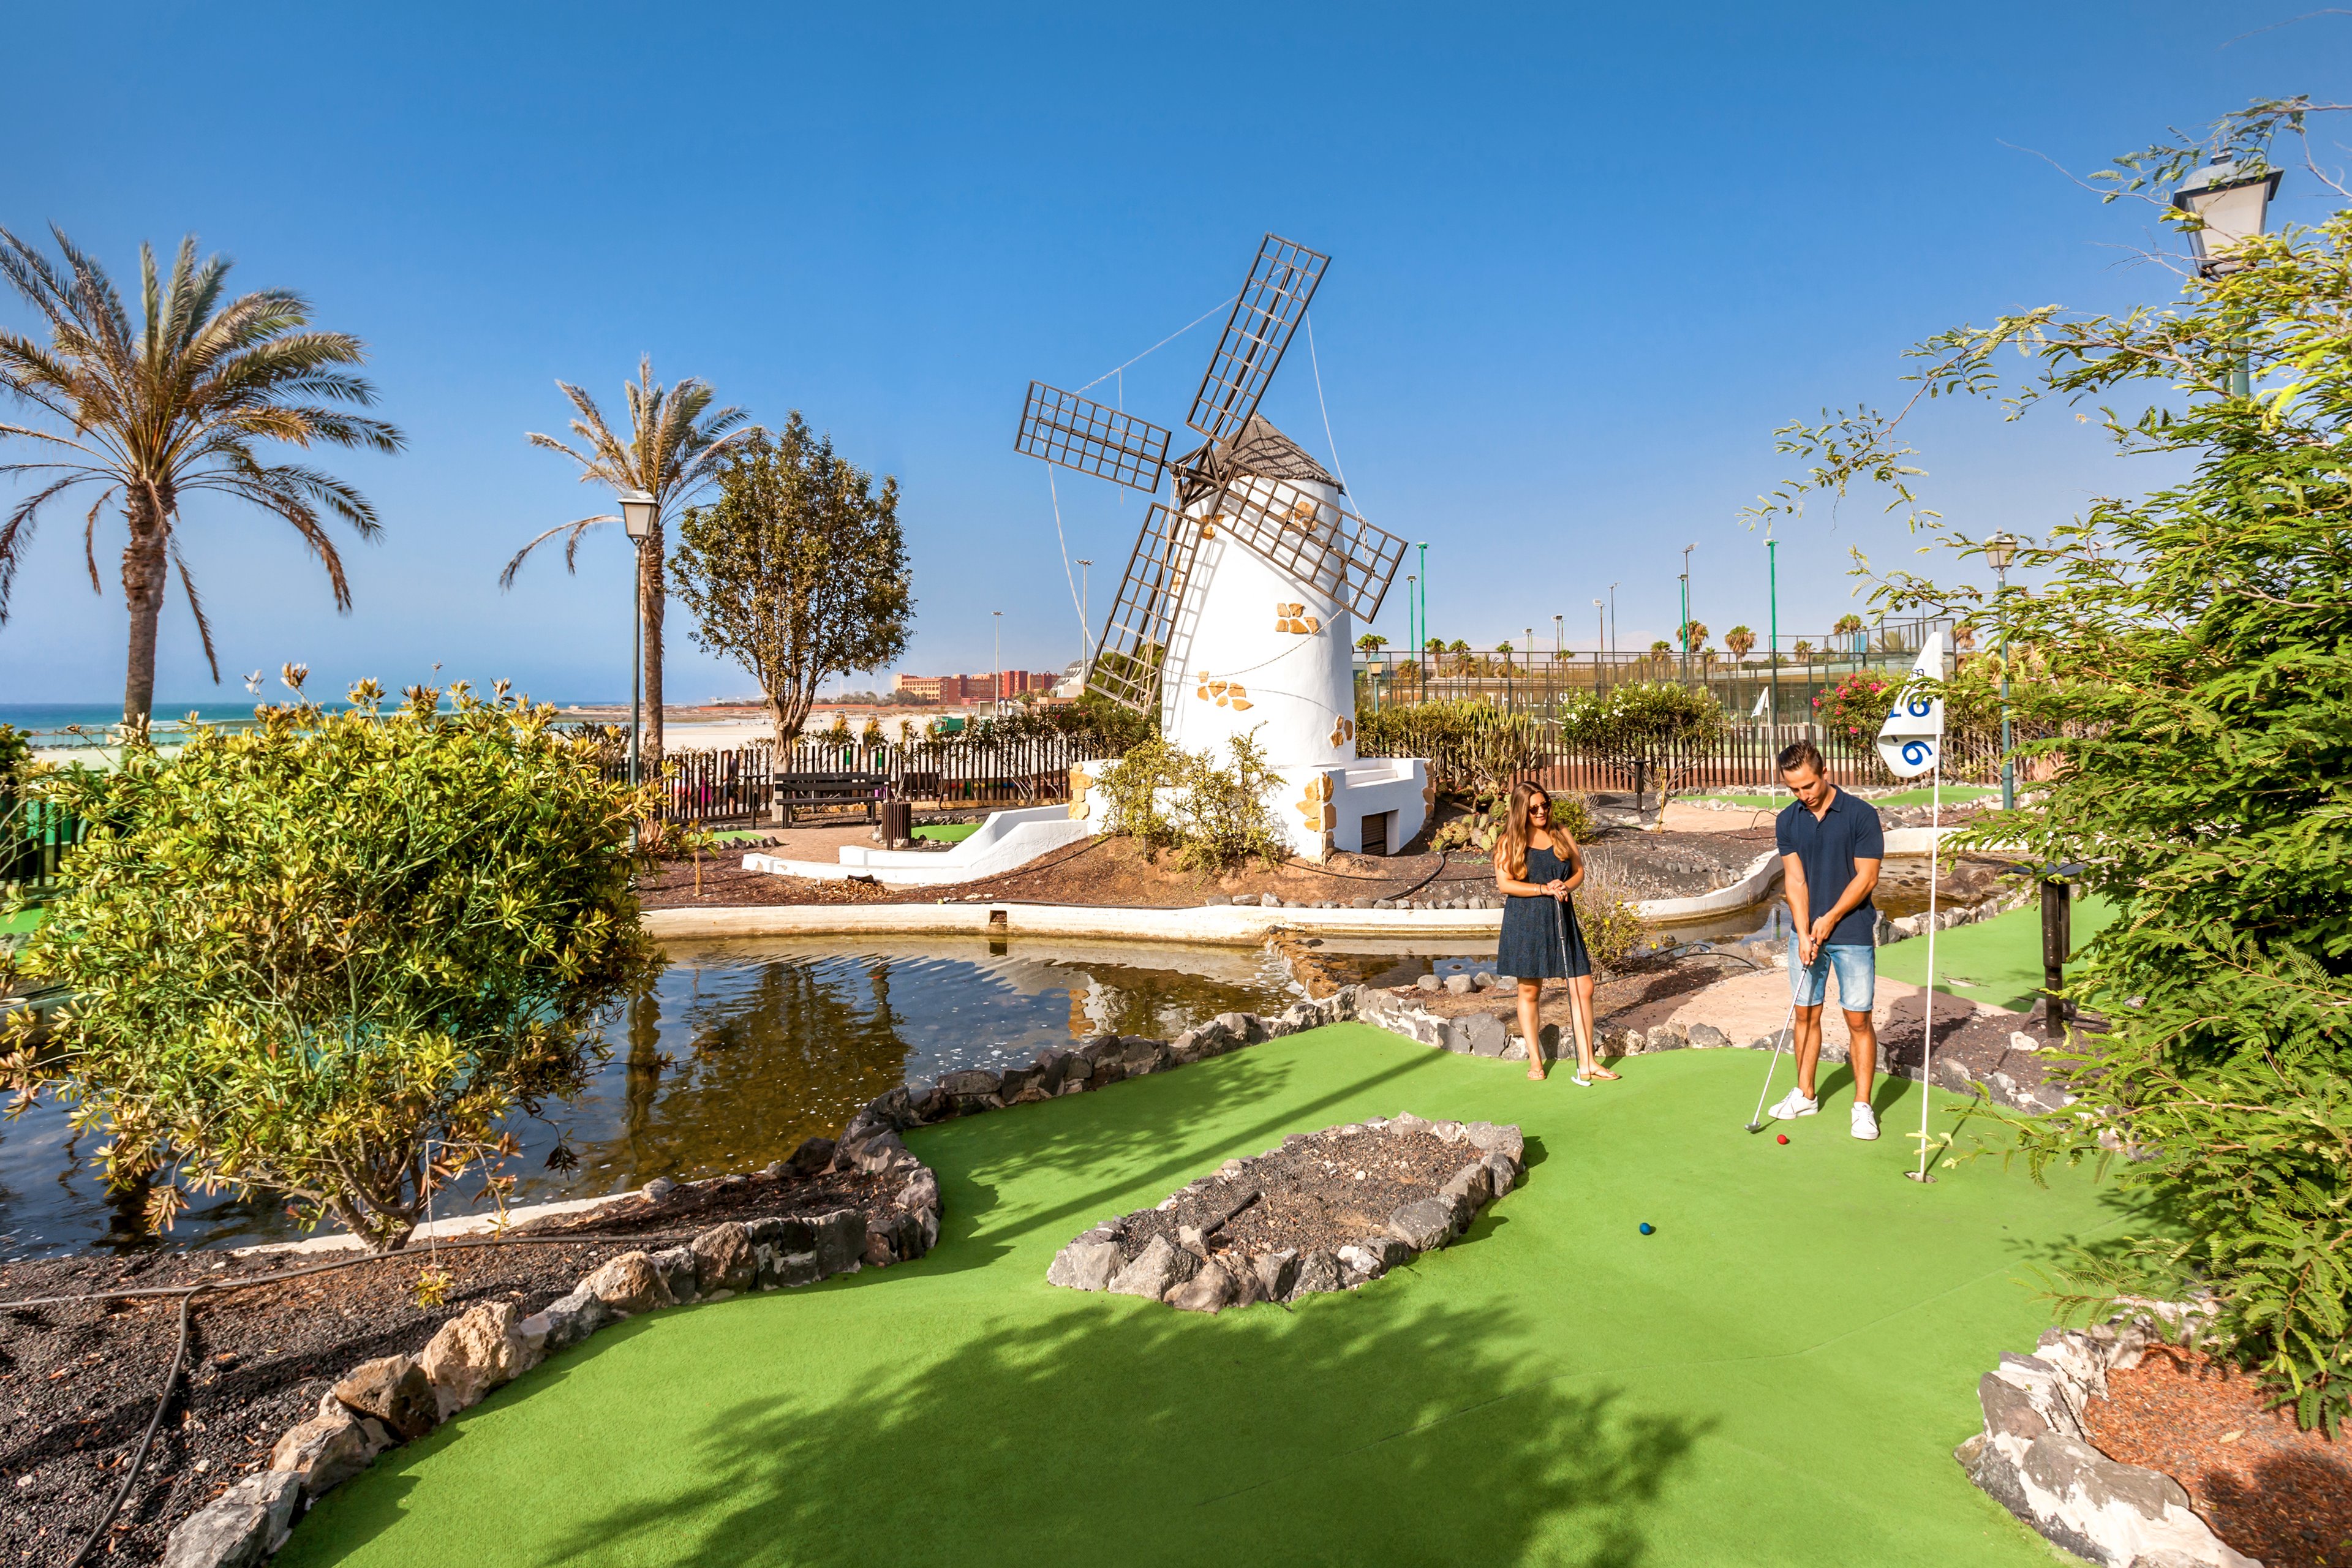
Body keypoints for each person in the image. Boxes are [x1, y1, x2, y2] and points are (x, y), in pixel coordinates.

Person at [1766, 739, 1885, 1137]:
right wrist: (1802, 931)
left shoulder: (1861, 815)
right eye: (1795, 789)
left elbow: (1866, 877)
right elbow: (1795, 880)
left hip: (1851, 932)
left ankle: (1863, 1106)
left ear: (1825, 774)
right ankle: (1805, 1093)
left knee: (1858, 1019)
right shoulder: (1788, 821)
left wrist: (1831, 918)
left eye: (1809, 786)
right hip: (1808, 936)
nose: (1804, 795)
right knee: (1805, 1014)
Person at [1492, 780, 1612, 1085]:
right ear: (1521, 811)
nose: (1542, 811)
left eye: (1545, 804)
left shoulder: (1560, 833)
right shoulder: (1509, 840)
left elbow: (1579, 871)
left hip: (1561, 916)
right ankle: (1535, 1059)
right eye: (1534, 808)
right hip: (1526, 919)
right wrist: (1542, 889)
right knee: (1530, 991)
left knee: (1583, 986)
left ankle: (1588, 1062)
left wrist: (1564, 886)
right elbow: (1505, 884)